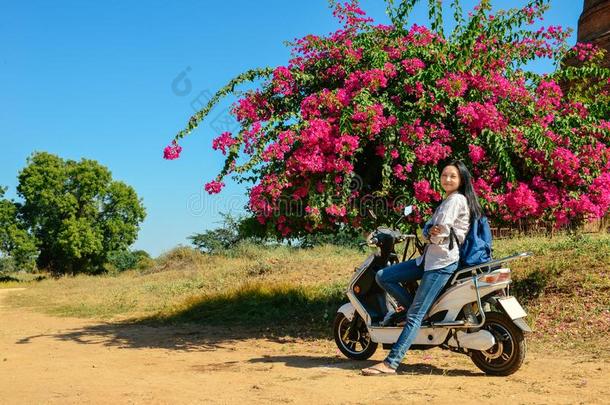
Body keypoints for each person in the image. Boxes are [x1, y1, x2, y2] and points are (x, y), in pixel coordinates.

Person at [362, 160, 482, 376]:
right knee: (383, 276)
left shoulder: (455, 200)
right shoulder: (448, 200)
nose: (447, 179)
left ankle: (391, 363)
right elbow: (430, 231)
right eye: (445, 175)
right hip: (427, 261)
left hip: (441, 264)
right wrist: (428, 232)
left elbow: (438, 232)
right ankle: (418, 311)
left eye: (452, 176)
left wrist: (430, 234)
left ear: (461, 179)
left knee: (415, 316)